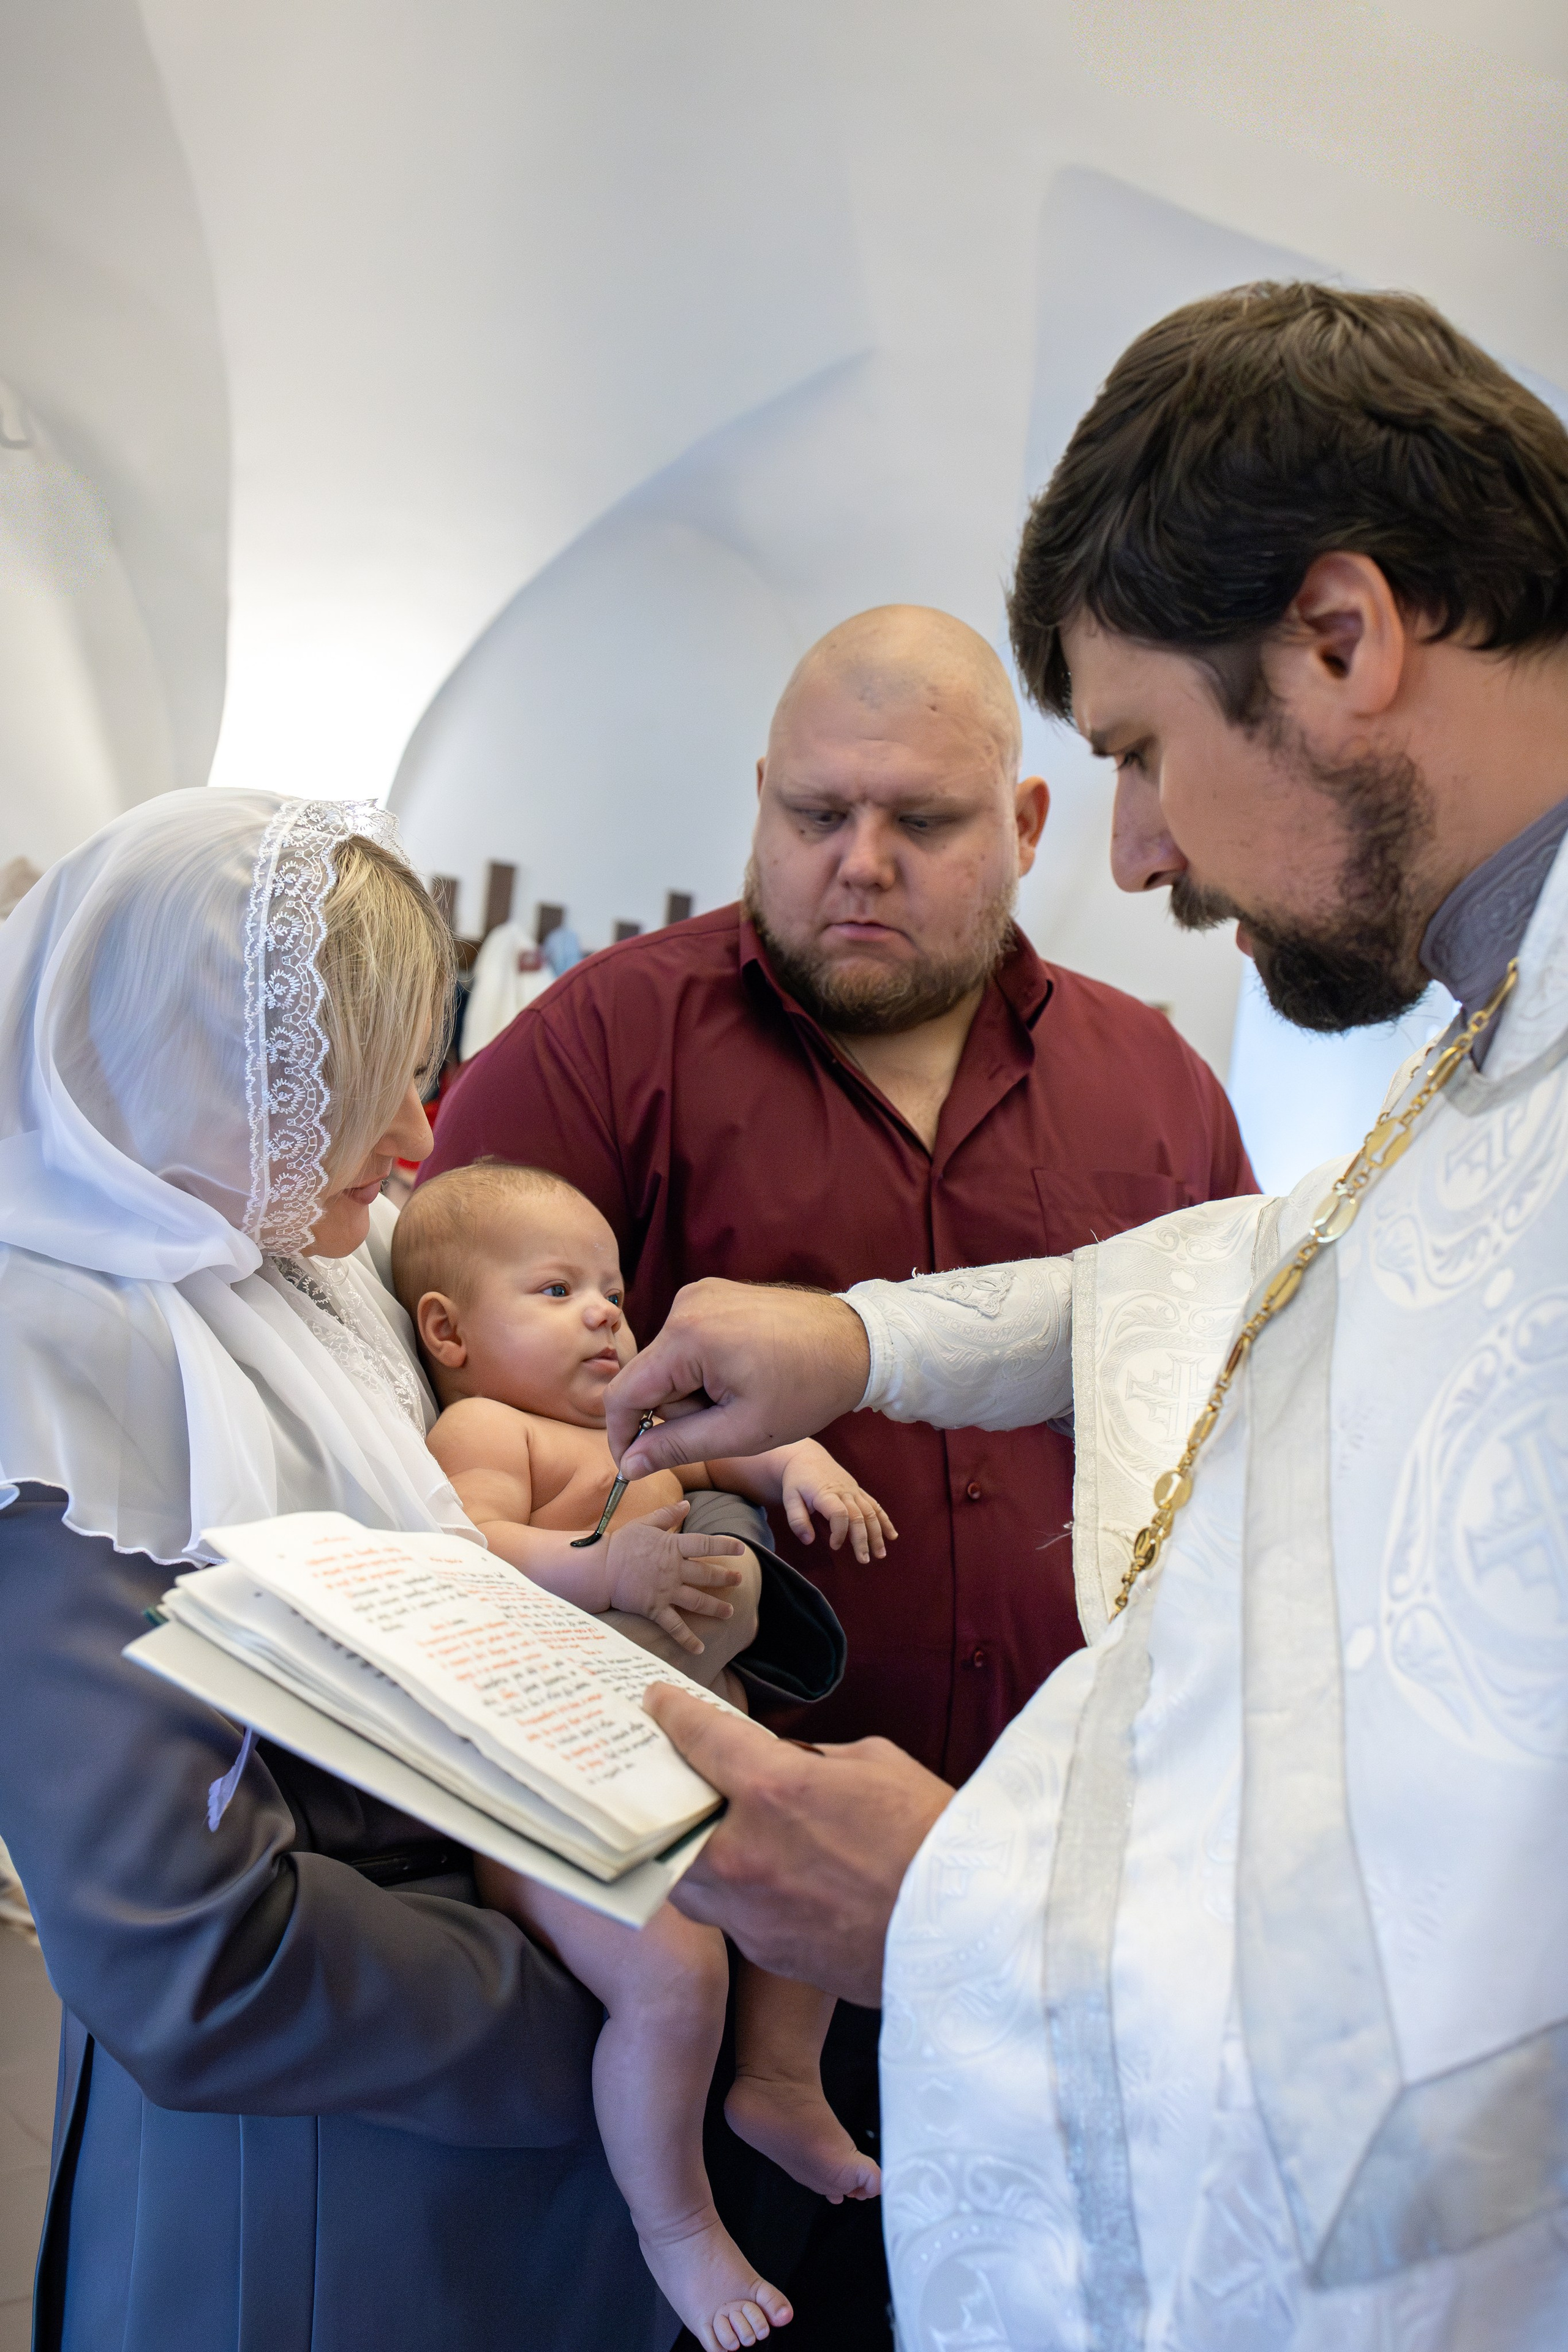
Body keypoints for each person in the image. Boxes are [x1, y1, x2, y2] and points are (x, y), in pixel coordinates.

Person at [601, 284, 1568, 2351]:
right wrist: (859, 1342)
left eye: (1138, 753)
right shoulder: (1512, 1043)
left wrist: (969, 1920)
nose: (1131, 856)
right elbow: (1273, 1267)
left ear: (1342, 639)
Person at [0, 791, 680, 2352]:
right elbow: (195, 1956)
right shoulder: (57, 1366)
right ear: (207, 1068)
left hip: (486, 2134)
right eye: (356, 1088)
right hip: (322, 2178)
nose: (420, 1136)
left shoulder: (300, 1259)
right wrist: (602, 2012)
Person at [389, 1159, 889, 2351]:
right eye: (556, 1289)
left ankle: (777, 2082)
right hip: (553, 1790)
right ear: (449, 1333)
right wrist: (596, 1570)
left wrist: (801, 1462)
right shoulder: (489, 1427)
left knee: (810, 1867)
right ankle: (675, 2224)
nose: (607, 1312)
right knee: (676, 1975)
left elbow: (746, 1450)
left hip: (691, 1779)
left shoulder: (644, 1430)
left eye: (610, 1288)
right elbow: (466, 1552)